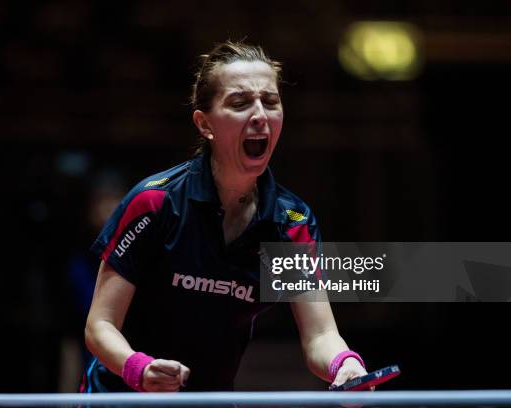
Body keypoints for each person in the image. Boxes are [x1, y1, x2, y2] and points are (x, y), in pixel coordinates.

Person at [80, 41, 368, 393]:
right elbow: (100, 325)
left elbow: (320, 335)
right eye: (239, 103)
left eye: (271, 101)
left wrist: (346, 365)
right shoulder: (156, 203)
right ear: (204, 124)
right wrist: (137, 368)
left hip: (207, 400)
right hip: (122, 398)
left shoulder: (290, 224)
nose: (260, 114)